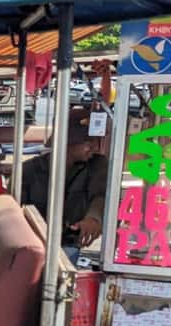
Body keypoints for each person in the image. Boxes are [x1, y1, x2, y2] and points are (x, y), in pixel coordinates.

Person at [18, 108, 108, 260]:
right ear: (69, 142)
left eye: (95, 141)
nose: (94, 147)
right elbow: (14, 210)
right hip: (32, 248)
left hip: (69, 247)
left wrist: (93, 219)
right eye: (88, 142)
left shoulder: (96, 166)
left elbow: (100, 195)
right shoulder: (28, 171)